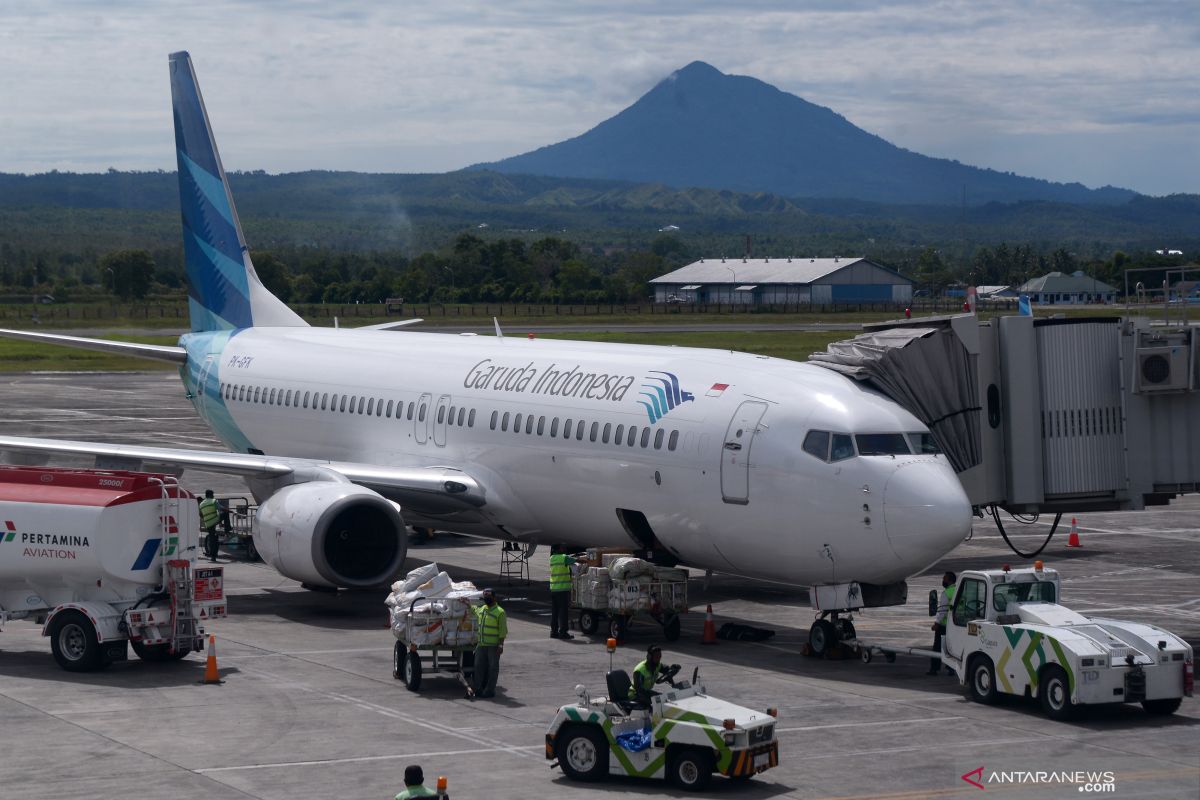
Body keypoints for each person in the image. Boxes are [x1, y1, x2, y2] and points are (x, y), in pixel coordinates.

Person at [472, 588, 506, 699]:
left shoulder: (500, 612)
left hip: (493, 646)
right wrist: (468, 604)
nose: (486, 597)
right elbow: (475, 611)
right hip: (481, 644)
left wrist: (500, 645)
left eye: (488, 596)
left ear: (494, 598)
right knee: (478, 667)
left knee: (493, 668)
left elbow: (502, 631)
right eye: (485, 595)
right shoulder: (482, 609)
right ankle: (478, 689)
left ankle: (490, 690)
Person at [928, 571, 957, 676]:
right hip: (955, 625)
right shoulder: (958, 591)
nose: (943, 581)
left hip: (943, 626)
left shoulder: (947, 593)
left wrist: (937, 623)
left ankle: (934, 669)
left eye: (944, 579)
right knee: (951, 647)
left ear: (949, 580)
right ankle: (951, 668)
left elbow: (943, 610)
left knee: (937, 648)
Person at [548, 544, 577, 639]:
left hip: (554, 589)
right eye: (562, 547)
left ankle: (554, 632)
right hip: (562, 589)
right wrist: (587, 560)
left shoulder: (552, 558)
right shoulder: (563, 558)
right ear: (558, 549)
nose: (564, 548)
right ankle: (563, 632)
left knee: (555, 612)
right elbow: (575, 561)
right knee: (563, 612)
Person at [198, 489, 220, 562]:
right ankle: (213, 556)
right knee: (213, 540)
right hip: (213, 521)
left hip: (208, 523)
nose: (213, 496)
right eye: (212, 494)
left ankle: (213, 555)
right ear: (210, 495)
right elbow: (220, 508)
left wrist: (206, 518)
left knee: (213, 538)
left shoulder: (201, 504)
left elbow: (200, 514)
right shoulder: (213, 501)